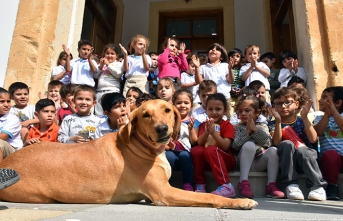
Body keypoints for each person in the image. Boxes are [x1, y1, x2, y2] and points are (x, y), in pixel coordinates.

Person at [268, 87, 327, 201]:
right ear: (274, 107)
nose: (283, 106)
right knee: (286, 144)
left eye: (287, 102)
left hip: (306, 158)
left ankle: (317, 186)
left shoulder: (300, 120)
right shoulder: (273, 123)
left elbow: (313, 139)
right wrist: (278, 122)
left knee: (303, 150)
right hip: (287, 163)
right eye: (279, 104)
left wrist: (305, 118)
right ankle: (291, 185)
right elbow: (276, 142)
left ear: (296, 104)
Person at [232, 94, 284, 199]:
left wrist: (255, 130)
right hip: (243, 163)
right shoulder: (238, 127)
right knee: (249, 145)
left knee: (273, 150)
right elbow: (236, 145)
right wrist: (247, 131)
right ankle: (243, 182)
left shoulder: (262, 126)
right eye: (240, 111)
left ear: (257, 113)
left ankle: (271, 184)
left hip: (258, 163)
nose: (243, 114)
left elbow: (268, 143)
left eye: (247, 111)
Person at [191, 93, 236, 198]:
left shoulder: (227, 125)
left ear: (225, 110)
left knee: (211, 150)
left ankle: (226, 186)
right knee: (196, 150)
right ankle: (200, 184)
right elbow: (199, 143)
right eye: (210, 109)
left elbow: (225, 146)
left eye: (218, 109)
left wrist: (214, 134)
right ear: (206, 110)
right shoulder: (204, 124)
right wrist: (207, 132)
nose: (214, 112)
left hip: (226, 161)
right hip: (209, 161)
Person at [166, 89, 199, 191]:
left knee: (184, 155)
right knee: (168, 155)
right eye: (179, 103)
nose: (182, 105)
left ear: (191, 105)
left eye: (186, 103)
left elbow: (194, 142)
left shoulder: (194, 122)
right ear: (173, 104)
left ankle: (188, 183)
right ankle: (167, 184)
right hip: (172, 152)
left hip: (186, 154)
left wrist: (191, 129)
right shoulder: (168, 121)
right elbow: (166, 140)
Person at [314, 86, 343, 200]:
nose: (320, 100)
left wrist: (334, 113)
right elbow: (319, 132)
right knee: (330, 155)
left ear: (338, 103)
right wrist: (327, 115)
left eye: (325, 97)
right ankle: (332, 186)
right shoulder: (319, 118)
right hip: (330, 162)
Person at [193, 43, 232, 116]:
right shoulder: (203, 67)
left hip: (224, 98)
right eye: (211, 49)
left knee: (225, 119)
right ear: (208, 54)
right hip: (209, 99)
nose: (213, 50)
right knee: (210, 117)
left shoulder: (225, 66)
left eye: (217, 49)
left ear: (222, 56)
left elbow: (230, 80)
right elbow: (199, 82)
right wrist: (197, 68)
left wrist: (230, 69)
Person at [94, 44, 123, 116]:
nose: (109, 55)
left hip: (112, 90)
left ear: (117, 55)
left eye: (112, 54)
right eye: (107, 53)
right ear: (104, 54)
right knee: (98, 112)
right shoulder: (101, 65)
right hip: (100, 91)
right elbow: (95, 76)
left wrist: (108, 65)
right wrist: (100, 67)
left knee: (110, 111)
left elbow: (118, 74)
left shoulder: (118, 64)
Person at [0, 87, 23, 163]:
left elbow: (3, 137)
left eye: (8, 101)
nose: (6, 104)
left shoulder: (13, 119)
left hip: (13, 152)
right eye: (2, 102)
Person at [228, 48, 245, 116]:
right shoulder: (227, 69)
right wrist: (230, 89)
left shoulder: (243, 70)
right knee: (231, 114)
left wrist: (242, 90)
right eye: (232, 56)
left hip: (241, 97)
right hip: (230, 97)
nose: (235, 58)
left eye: (237, 56)